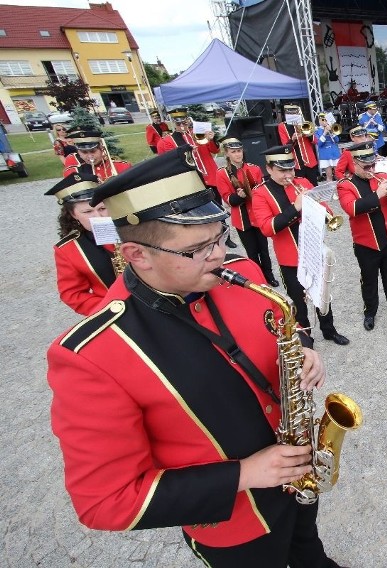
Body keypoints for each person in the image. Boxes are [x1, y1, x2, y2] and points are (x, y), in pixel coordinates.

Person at [46, 147, 345, 568]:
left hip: (299, 477)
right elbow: (104, 502)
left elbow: (282, 326)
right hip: (235, 528)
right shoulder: (91, 356)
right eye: (198, 249)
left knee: (309, 550)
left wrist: (303, 350)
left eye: (220, 237)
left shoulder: (244, 275)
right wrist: (244, 475)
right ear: (137, 255)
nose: (220, 255)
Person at [252, 145, 350, 346]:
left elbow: (324, 208)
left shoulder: (303, 181)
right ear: (269, 169)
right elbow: (267, 228)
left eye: (290, 169)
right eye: (282, 170)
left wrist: (323, 210)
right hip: (290, 257)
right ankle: (306, 337)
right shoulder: (261, 193)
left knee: (322, 295)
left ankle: (329, 330)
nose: (288, 175)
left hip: (314, 251)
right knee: (299, 301)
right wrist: (296, 207)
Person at [337, 141, 387, 331]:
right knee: (369, 279)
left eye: (373, 164)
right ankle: (370, 312)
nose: (371, 169)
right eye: (366, 166)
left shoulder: (383, 177)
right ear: (354, 163)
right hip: (366, 243)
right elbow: (352, 209)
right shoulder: (346, 185)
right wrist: (377, 194)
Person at [45, 170, 117, 315]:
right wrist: (108, 309)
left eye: (102, 208)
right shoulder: (68, 249)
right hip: (114, 311)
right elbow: (72, 294)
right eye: (88, 212)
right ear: (73, 214)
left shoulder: (132, 228)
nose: (98, 216)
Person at [214, 138, 279, 287]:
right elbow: (227, 199)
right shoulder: (222, 173)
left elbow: (262, 191)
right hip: (242, 218)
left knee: (264, 249)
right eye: (233, 152)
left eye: (239, 151)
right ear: (227, 154)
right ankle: (258, 278)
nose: (238, 155)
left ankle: (269, 276)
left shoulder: (254, 168)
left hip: (257, 215)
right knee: (252, 251)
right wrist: (239, 196)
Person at [63, 129, 131, 180]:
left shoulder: (123, 167)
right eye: (84, 152)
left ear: (101, 149)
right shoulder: (74, 173)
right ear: (78, 153)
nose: (90, 156)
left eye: (93, 151)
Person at [278, 107, 320, 185]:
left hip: (310, 162)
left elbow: (315, 141)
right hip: (297, 165)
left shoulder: (305, 123)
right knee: (301, 188)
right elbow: (285, 149)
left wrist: (306, 134)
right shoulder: (282, 126)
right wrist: (293, 139)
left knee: (314, 186)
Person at [315, 113, 342, 182]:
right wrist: (324, 133)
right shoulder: (317, 131)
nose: (324, 121)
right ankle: (331, 191)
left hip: (334, 153)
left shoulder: (332, 128)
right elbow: (319, 144)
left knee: (339, 174)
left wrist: (331, 132)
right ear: (319, 121)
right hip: (325, 154)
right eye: (322, 120)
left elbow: (337, 140)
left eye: (325, 120)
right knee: (329, 176)